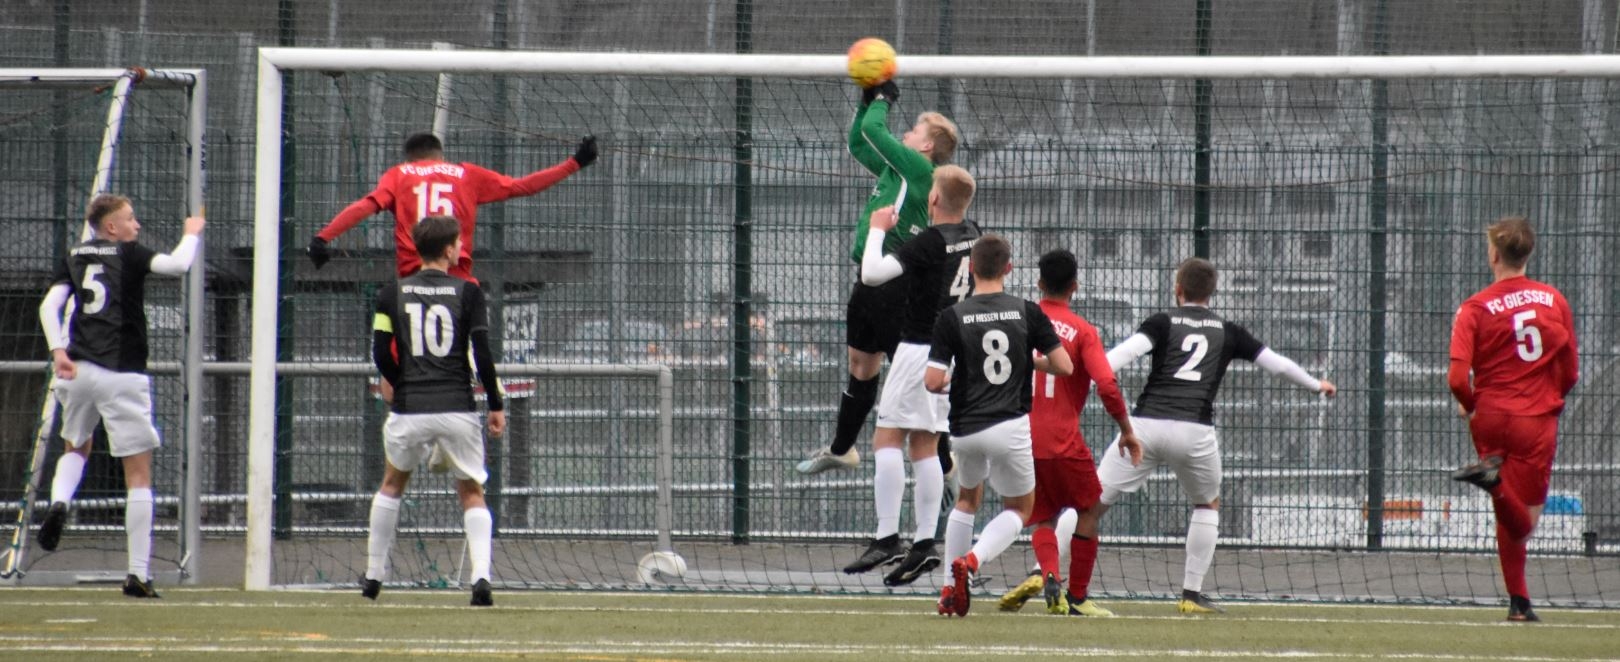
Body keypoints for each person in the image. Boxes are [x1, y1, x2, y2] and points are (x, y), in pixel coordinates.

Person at [1099, 257, 1336, 614]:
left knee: (1092, 501)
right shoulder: (1229, 331)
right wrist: (1316, 384)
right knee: (1206, 504)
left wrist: (1087, 377)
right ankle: (1190, 594)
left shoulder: (1162, 322)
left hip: (1145, 426)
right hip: (1195, 431)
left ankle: (1047, 572)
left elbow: (1119, 356)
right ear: (1212, 292)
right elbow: (1278, 366)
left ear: (1178, 289)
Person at [36, 194, 205, 598]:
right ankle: (137, 574)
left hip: (77, 369)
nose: (137, 225)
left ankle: (60, 501)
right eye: (131, 219)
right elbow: (177, 265)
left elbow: (49, 306)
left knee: (76, 446)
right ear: (111, 227)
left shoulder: (75, 255)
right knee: (139, 474)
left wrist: (58, 351)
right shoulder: (129, 254)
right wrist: (192, 234)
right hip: (122, 372)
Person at [796, 80, 961, 478]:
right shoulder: (897, 171)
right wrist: (866, 100)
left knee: (912, 371)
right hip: (869, 280)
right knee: (860, 363)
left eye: (914, 131)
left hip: (896, 283)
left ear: (925, 146)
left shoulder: (919, 169)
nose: (905, 134)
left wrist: (883, 99)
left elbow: (874, 130)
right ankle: (841, 449)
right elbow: (859, 142)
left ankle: (944, 461)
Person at [844, 165, 982, 585]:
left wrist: (877, 229)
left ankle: (887, 537)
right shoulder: (973, 233)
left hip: (919, 347)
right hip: (951, 352)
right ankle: (924, 544)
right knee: (925, 444)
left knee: (886, 438)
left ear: (933, 199)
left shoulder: (929, 242)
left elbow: (872, 274)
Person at [924, 235, 1073, 617]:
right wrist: (1029, 361)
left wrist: (959, 374)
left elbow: (932, 381)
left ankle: (948, 590)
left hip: (965, 428)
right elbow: (1064, 366)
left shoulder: (952, 316)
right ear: (1009, 268)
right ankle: (972, 561)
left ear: (972, 267)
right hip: (1009, 424)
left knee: (966, 500)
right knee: (1021, 509)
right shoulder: (1027, 312)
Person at [362, 215, 507, 607]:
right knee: (472, 492)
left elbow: (380, 352)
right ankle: (481, 577)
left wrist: (402, 383)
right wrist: (495, 404)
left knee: (391, 485)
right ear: (447, 249)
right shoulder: (469, 292)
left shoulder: (390, 293)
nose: (461, 248)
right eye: (458, 242)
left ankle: (374, 575)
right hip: (457, 406)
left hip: (410, 408)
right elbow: (482, 353)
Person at [997, 249, 1141, 617]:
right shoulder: (1083, 331)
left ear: (1039, 283)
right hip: (1063, 440)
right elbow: (1107, 384)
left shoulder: (1018, 323)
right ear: (1074, 286)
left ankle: (1049, 575)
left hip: (1020, 438)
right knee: (1089, 509)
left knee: (1042, 516)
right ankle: (1077, 597)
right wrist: (1126, 429)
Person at [1447, 216, 1577, 623]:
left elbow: (1456, 378)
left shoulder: (1474, 307)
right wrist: (1551, 397)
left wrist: (1470, 404)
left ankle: (1519, 601)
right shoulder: (1553, 300)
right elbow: (1571, 371)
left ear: (1493, 255)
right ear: (1527, 254)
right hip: (1534, 421)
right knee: (1523, 523)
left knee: (1506, 513)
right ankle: (1495, 484)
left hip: (1489, 417)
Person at [307, 131, 597, 281]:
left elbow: (366, 206)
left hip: (413, 278)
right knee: (463, 350)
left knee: (403, 351)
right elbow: (522, 186)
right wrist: (575, 163)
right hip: (456, 278)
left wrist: (323, 238)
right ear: (440, 155)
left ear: (409, 159)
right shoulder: (466, 175)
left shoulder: (399, 175)